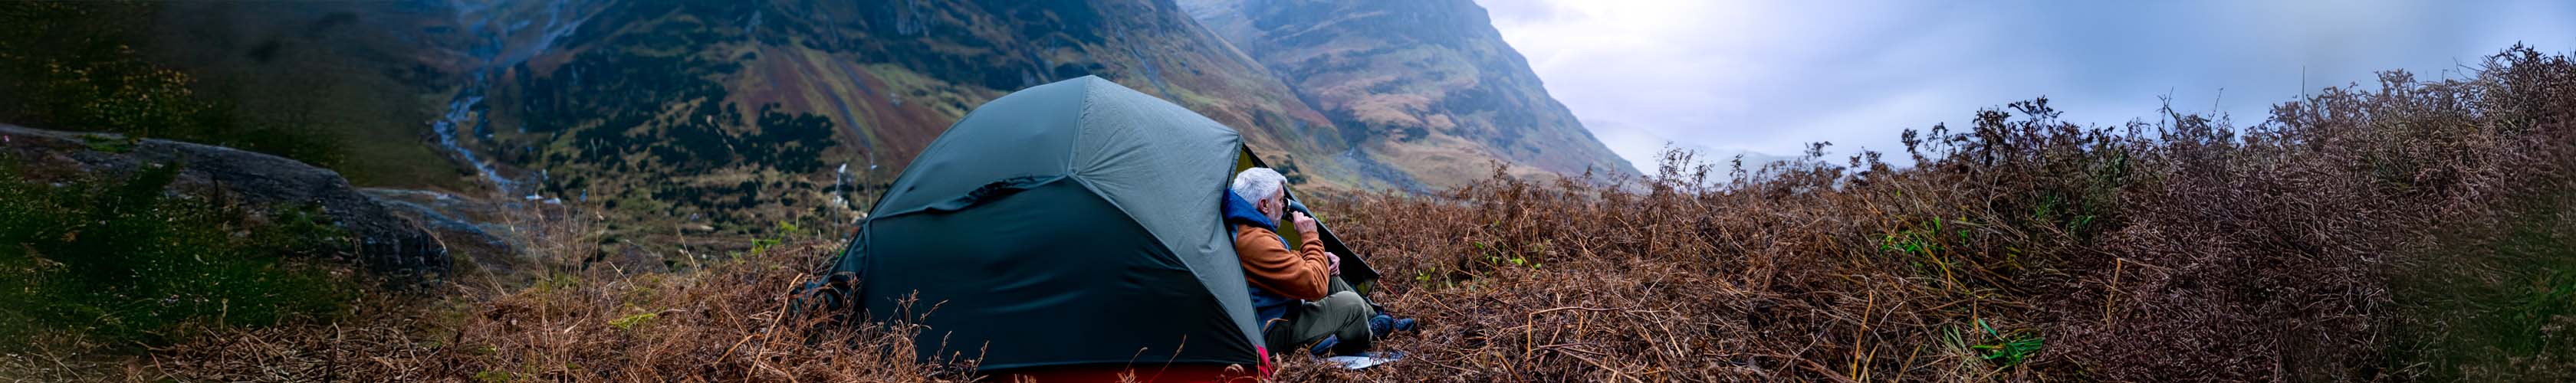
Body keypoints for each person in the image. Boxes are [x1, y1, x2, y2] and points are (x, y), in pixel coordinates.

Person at [1224, 168, 1414, 357]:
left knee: (1327, 270)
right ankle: (1368, 335)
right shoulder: (1254, 240)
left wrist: (1318, 257)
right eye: (1281, 200)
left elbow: (1278, 259)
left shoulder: (1246, 227)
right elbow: (1314, 286)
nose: (1284, 207)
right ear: (1264, 205)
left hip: (1278, 311)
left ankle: (1376, 319)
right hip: (1272, 330)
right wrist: (1309, 237)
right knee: (1351, 305)